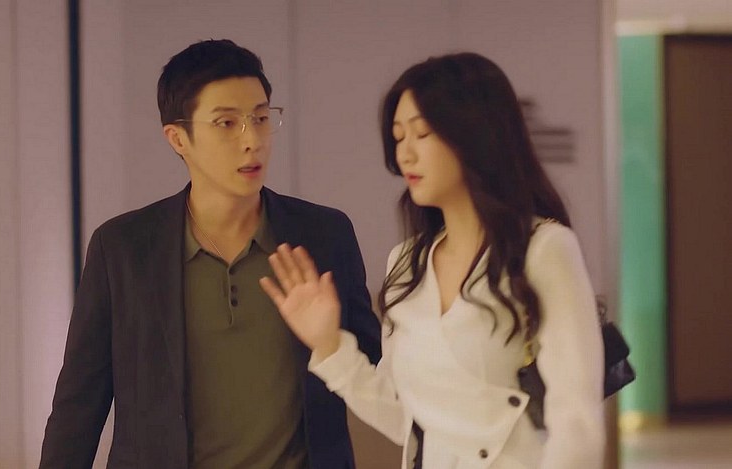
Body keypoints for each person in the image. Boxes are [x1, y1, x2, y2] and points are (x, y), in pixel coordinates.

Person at [39, 39, 381, 469]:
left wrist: (332, 341)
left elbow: (374, 371)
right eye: (226, 123)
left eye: (261, 118)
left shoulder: (324, 234)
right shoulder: (123, 248)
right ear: (178, 138)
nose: (252, 140)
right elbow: (78, 406)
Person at [260, 52, 605, 469]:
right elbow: (405, 417)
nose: (404, 154)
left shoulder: (544, 249)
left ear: (475, 135)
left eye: (421, 134)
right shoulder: (407, 263)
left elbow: (577, 424)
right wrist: (329, 344)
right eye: (398, 137)